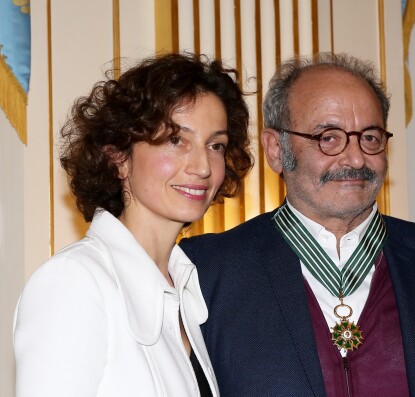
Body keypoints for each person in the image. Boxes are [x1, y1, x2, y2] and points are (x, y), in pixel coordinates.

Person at [180, 52, 415, 397]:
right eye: (329, 137)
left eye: (369, 137)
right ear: (276, 150)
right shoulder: (207, 271)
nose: (355, 158)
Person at [13, 53, 252, 396]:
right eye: (176, 140)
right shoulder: (75, 281)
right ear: (119, 156)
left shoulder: (187, 288)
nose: (202, 166)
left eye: (215, 145)